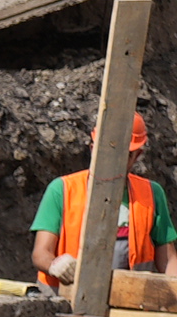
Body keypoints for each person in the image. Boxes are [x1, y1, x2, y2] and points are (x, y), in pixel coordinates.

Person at [28, 111, 169, 284]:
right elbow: (41, 253)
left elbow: (169, 261)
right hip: (63, 301)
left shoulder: (151, 194)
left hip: (127, 301)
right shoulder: (62, 190)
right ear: (93, 148)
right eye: (108, 151)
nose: (114, 161)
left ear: (136, 156)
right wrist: (55, 265)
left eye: (124, 154)